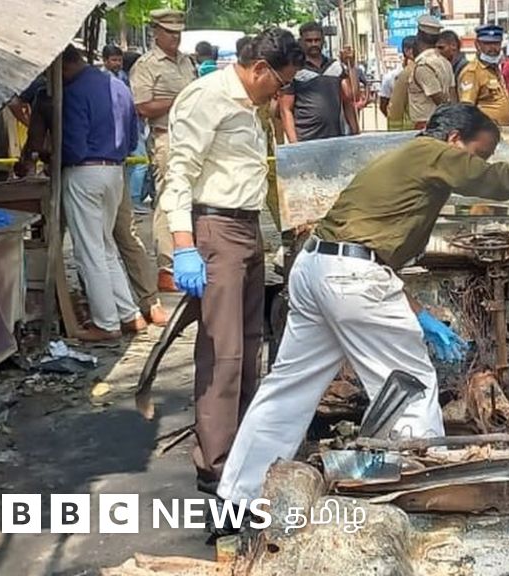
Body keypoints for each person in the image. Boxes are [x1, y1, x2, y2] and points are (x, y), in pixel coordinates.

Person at [218, 104, 509, 506]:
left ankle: (237, 500)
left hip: (317, 268)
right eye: (478, 154)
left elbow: (371, 252)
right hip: (351, 278)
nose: (477, 164)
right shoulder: (431, 152)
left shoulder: (403, 161)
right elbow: (505, 182)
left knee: (286, 391)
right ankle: (423, 501)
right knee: (412, 388)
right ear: (455, 139)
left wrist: (417, 312)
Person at [160, 28, 303, 500]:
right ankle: (215, 464)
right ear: (258, 68)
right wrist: (183, 244)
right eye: (278, 84)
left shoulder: (249, 103)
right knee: (223, 352)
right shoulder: (206, 99)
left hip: (245, 226)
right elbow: (178, 174)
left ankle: (243, 450)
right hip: (214, 228)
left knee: (249, 344)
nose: (279, 94)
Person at [57, 45, 145, 341]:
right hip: (115, 169)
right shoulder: (117, 85)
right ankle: (128, 313)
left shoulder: (73, 92)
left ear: (63, 66)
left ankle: (106, 323)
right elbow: (134, 137)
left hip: (85, 171)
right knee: (105, 247)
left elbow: (73, 145)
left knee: (90, 251)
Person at [130, 9, 198, 293]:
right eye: (169, 33)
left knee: (191, 198)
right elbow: (142, 106)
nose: (175, 38)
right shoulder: (146, 65)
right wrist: (180, 100)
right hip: (166, 138)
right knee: (169, 200)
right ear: (156, 32)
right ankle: (167, 266)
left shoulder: (186, 62)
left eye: (178, 33)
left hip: (193, 137)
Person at [279, 22, 359, 142]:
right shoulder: (294, 70)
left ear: (323, 41)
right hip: (306, 140)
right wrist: (294, 144)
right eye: (309, 41)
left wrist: (351, 66)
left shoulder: (335, 67)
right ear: (300, 42)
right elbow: (285, 109)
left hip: (336, 138)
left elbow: (351, 96)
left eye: (317, 40)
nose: (314, 44)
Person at [458, 25, 509, 126]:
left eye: (496, 43)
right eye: (487, 44)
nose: (493, 48)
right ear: (477, 45)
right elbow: (467, 108)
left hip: (503, 130)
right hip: (486, 132)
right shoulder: (473, 72)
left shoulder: (495, 68)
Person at [408, 15, 457, 129]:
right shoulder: (445, 62)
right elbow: (453, 94)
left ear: (419, 35)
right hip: (443, 124)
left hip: (428, 126)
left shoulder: (424, 66)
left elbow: (439, 99)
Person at [381, 36, 417, 119]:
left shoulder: (423, 72)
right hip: (397, 127)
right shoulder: (391, 77)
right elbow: (383, 104)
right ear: (408, 51)